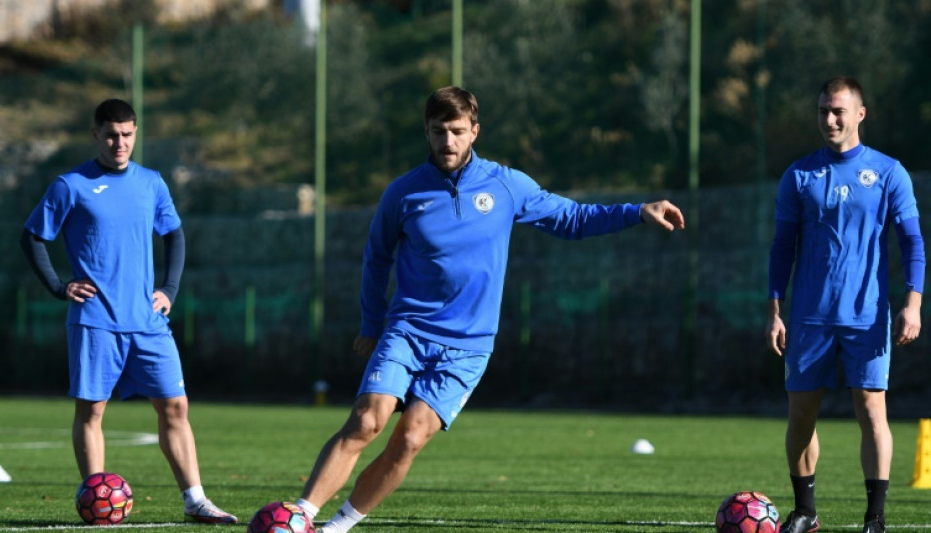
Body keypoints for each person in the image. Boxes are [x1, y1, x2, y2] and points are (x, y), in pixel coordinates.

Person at [293, 86, 685, 533]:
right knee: (367, 420)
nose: (448, 141)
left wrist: (637, 211)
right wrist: (371, 321)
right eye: (439, 131)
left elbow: (573, 219)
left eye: (457, 131)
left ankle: (336, 527)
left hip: (469, 346)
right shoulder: (402, 193)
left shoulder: (506, 184)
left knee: (410, 440)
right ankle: (299, 516)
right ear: (426, 131)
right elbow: (376, 258)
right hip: (407, 330)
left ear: (475, 131)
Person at [20, 99, 237, 524]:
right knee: (92, 411)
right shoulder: (71, 185)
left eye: (127, 134)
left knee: (175, 407)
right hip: (95, 319)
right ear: (95, 135)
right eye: (111, 135)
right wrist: (59, 286)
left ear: (136, 133)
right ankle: (97, 501)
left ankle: (196, 501)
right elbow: (31, 237)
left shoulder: (152, 182)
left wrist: (169, 289)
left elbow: (174, 235)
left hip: (148, 322)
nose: (120, 143)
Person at [766, 77, 925, 533]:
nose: (829, 119)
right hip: (810, 317)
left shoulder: (890, 172)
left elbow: (912, 242)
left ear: (860, 114)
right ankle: (805, 511)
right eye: (822, 111)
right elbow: (781, 248)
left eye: (838, 111)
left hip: (867, 314)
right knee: (800, 414)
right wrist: (775, 311)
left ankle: (875, 517)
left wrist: (913, 304)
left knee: (873, 411)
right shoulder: (798, 175)